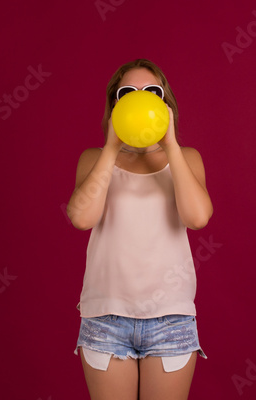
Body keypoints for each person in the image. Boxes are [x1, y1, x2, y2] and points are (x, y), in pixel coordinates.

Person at [67, 58, 213, 400]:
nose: (140, 98)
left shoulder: (186, 158)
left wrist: (171, 144)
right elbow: (81, 217)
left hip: (171, 320)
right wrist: (113, 146)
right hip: (105, 319)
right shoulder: (94, 158)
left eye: (151, 91)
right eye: (128, 92)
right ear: (115, 104)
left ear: (165, 103)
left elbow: (198, 217)